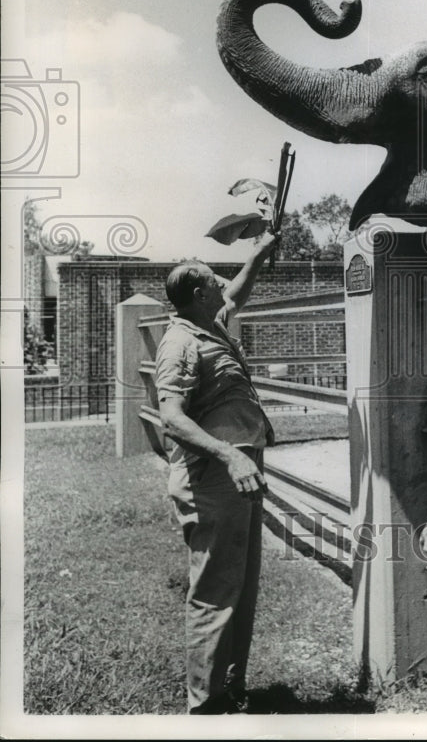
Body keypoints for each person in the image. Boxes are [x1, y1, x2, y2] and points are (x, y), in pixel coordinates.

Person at [154, 231, 279, 714]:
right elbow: (172, 417)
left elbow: (237, 289)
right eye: (213, 280)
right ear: (199, 294)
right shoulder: (181, 342)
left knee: (240, 583)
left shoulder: (211, 322)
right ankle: (204, 707)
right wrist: (229, 455)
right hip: (215, 473)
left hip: (240, 471)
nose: (221, 284)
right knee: (215, 587)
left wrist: (262, 251)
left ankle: (228, 688)